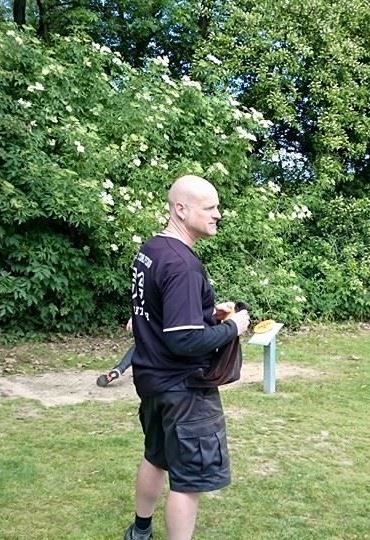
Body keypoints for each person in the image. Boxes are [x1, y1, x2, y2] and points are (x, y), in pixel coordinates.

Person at [124, 175, 250, 540]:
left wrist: (207, 312)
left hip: (152, 383)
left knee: (155, 456)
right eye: (209, 208)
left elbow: (153, 316)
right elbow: (184, 340)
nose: (218, 215)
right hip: (184, 389)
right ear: (181, 209)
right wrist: (234, 327)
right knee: (189, 481)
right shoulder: (183, 265)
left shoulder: (152, 250)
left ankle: (140, 531)